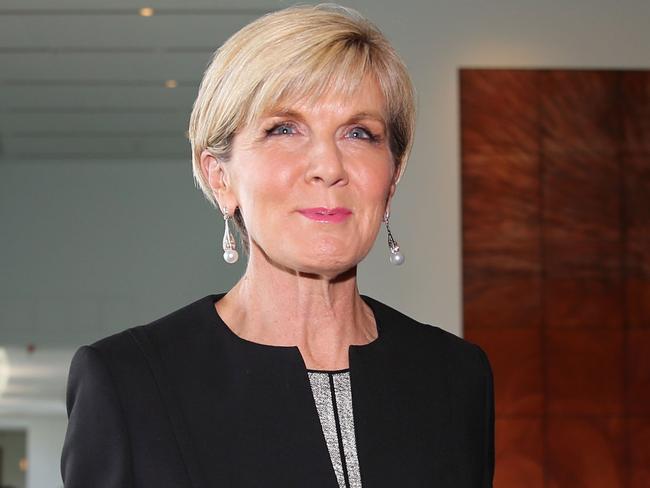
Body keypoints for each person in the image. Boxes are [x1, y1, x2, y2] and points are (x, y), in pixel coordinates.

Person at [61, 4, 494, 487]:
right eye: (284, 129)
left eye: (359, 133)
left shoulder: (455, 377)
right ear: (220, 177)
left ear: (391, 179)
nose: (329, 165)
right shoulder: (128, 382)